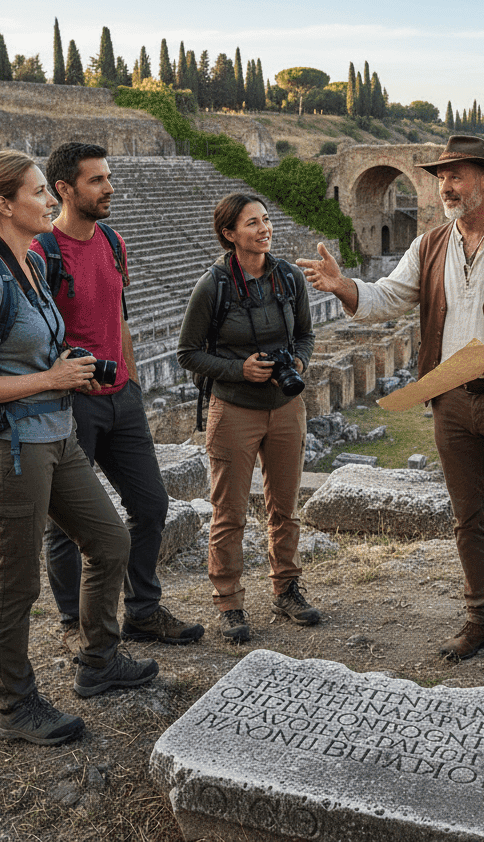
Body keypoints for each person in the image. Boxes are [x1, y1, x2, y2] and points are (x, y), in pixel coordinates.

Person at [297, 135, 484, 687]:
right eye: (441, 176)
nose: (445, 186)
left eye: (456, 176)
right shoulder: (428, 245)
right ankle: (481, 621)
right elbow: (387, 298)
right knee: (466, 519)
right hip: (451, 403)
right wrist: (344, 288)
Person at [0, 150, 159, 747]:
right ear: (3, 206)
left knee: (110, 540)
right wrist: (50, 380)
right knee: (15, 583)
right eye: (39, 192)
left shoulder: (29, 268)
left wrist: (68, 371)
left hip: (55, 436)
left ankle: (98, 661)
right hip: (10, 449)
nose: (48, 201)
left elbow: (36, 354)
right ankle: (14, 706)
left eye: (47, 190)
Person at [32, 142, 203, 650]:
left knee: (150, 505)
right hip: (72, 402)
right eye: (96, 180)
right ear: (63, 189)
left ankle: (143, 611)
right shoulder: (42, 253)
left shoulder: (112, 241)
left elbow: (120, 318)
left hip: (120, 396)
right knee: (65, 525)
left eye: (108, 177)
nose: (110, 187)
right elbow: (33, 335)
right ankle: (72, 624)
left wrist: (128, 380)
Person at [177, 193, 317, 642]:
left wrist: (299, 363)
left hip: (285, 407)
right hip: (234, 409)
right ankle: (230, 603)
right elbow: (188, 353)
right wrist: (239, 369)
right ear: (230, 234)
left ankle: (287, 589)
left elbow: (307, 335)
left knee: (285, 508)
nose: (264, 229)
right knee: (229, 513)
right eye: (252, 223)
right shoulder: (213, 285)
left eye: (267, 219)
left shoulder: (290, 278)